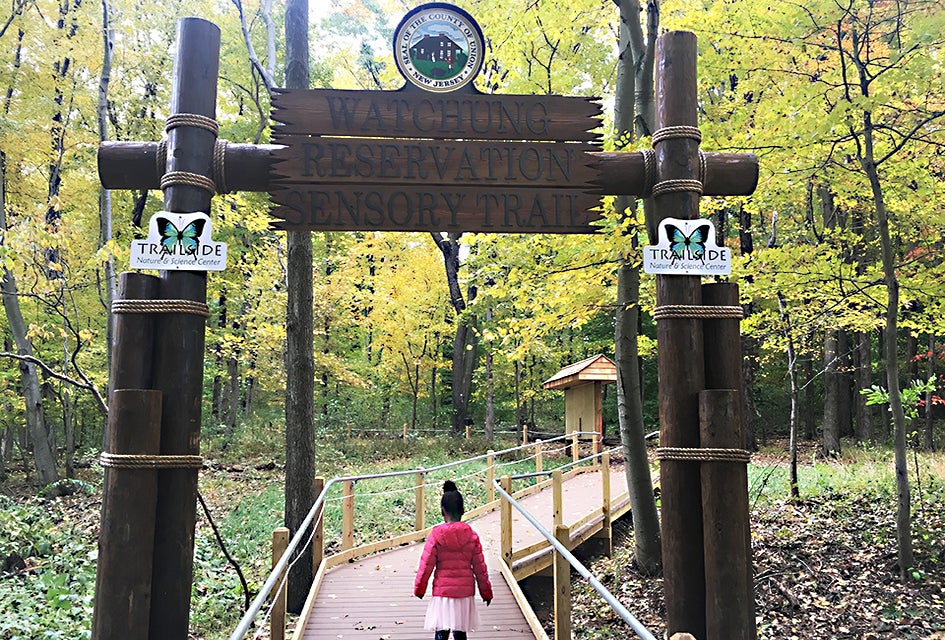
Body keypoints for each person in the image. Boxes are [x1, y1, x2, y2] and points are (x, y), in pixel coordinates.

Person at [414, 480, 493, 640]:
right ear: (463, 510)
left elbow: (426, 565)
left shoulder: (436, 535)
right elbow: (480, 569)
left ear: (442, 511)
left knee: (441, 633)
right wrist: (486, 593)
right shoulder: (472, 535)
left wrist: (419, 589)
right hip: (464, 594)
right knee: (460, 632)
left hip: (443, 593)